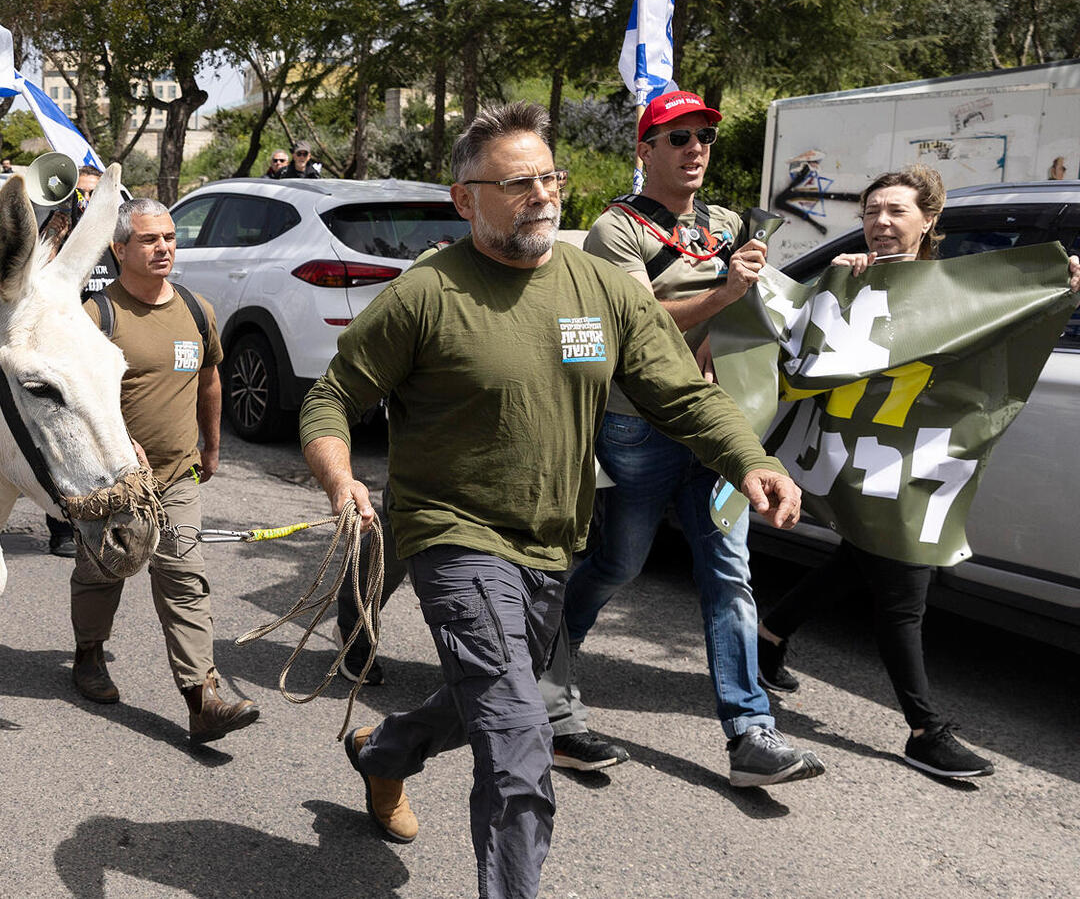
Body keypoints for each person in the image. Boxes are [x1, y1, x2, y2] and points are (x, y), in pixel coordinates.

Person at [302, 102, 802, 898]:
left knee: (485, 702)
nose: (541, 194)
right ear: (466, 199)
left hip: (550, 545)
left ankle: (384, 750)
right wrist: (341, 478)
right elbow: (331, 398)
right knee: (516, 734)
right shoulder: (425, 293)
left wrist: (750, 460)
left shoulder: (602, 289)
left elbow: (681, 395)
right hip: (452, 535)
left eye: (549, 178)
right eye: (516, 183)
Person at [534, 88, 824, 786]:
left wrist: (844, 275)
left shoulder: (724, 222)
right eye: (678, 137)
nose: (695, 148)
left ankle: (752, 734)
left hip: (720, 428)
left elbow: (771, 305)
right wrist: (724, 292)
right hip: (643, 426)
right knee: (618, 564)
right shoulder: (617, 231)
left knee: (729, 573)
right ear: (645, 150)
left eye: (704, 137)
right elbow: (639, 329)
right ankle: (544, 673)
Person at [756, 166, 1080, 779]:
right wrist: (835, 278)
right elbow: (794, 322)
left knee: (866, 557)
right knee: (903, 587)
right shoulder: (851, 278)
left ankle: (768, 637)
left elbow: (1008, 323)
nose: (880, 221)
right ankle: (925, 728)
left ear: (929, 220)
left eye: (896, 211)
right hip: (864, 453)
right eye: (872, 209)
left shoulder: (953, 288)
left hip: (921, 453)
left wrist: (1058, 289)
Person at [69, 196, 259, 743]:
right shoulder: (96, 315)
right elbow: (76, 398)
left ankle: (203, 700)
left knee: (184, 579)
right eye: (150, 240)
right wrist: (119, 444)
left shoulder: (198, 310)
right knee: (104, 570)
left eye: (170, 238)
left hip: (176, 476)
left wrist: (213, 446)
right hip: (110, 481)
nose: (163, 248)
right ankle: (89, 654)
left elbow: (210, 379)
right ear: (119, 248)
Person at [43, 164, 122, 557]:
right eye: (79, 194)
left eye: (92, 194)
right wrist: (56, 231)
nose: (85, 202)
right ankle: (60, 526)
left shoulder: (111, 243)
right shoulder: (53, 234)